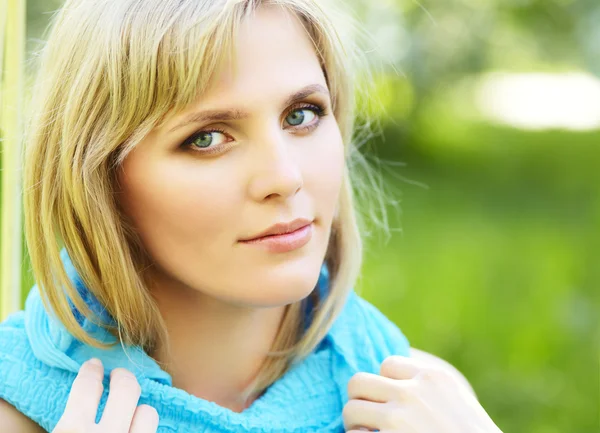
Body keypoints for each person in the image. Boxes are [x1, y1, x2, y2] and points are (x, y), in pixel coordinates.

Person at [0, 0, 504, 432]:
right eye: (207, 138)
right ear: (99, 179)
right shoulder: (19, 408)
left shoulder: (419, 401)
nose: (284, 177)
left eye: (301, 114)